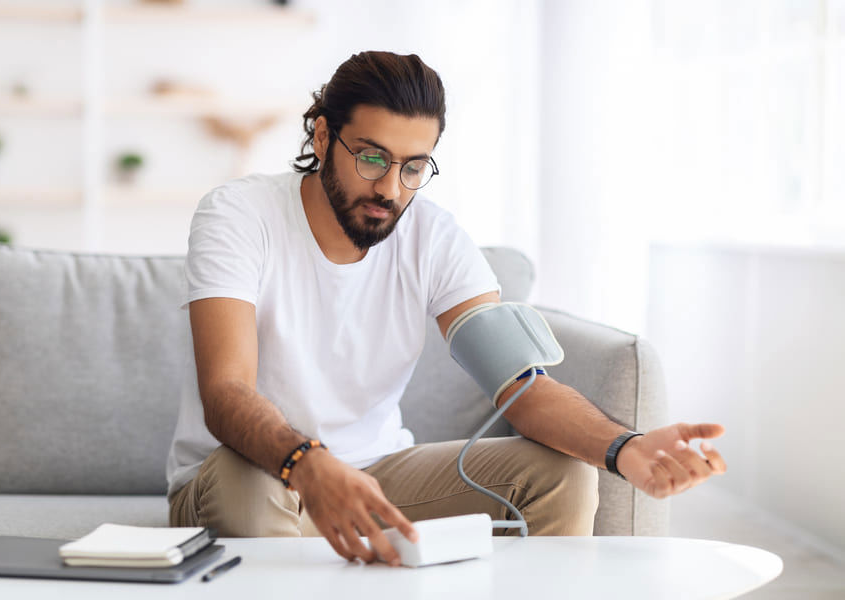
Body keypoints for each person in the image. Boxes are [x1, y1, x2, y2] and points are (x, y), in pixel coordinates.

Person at [166, 51, 726, 567]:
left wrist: (624, 448)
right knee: (253, 480)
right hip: (249, 472)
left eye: (413, 167)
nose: (390, 188)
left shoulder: (433, 238)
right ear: (321, 135)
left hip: (376, 471)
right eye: (371, 158)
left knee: (561, 474)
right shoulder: (239, 215)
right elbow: (226, 393)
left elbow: (521, 388)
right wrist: (309, 465)